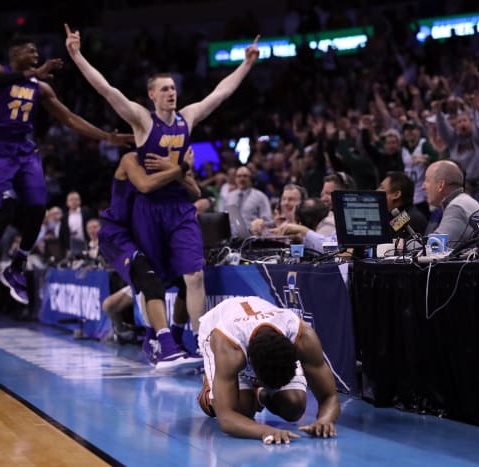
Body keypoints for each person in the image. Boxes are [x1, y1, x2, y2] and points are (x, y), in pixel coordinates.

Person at [65, 24, 260, 347]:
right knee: (149, 280)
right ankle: (158, 336)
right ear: (152, 95)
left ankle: (202, 343)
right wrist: (76, 54)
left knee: (195, 275)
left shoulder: (187, 117)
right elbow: (107, 89)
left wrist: (246, 64)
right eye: (164, 89)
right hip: (149, 209)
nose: (172, 92)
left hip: (180, 207)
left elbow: (220, 93)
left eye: (173, 88)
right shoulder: (142, 120)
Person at [0, 34, 131, 306]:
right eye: (29, 49)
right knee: (9, 206)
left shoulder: (40, 88)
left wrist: (106, 137)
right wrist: (32, 72)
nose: (35, 52)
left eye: (37, 49)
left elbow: (70, 118)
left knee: (38, 207)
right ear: (15, 53)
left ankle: (17, 266)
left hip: (24, 150)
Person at [99, 150, 202, 368]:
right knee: (148, 281)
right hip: (118, 234)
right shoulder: (131, 159)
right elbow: (145, 185)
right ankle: (158, 342)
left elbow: (195, 193)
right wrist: (180, 168)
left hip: (146, 230)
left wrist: (174, 168)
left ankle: (172, 339)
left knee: (185, 280)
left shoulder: (169, 162)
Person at [196, 296, 340, 442]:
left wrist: (325, 420)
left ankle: (260, 396)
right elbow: (226, 418)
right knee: (242, 412)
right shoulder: (229, 348)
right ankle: (210, 392)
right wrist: (266, 431)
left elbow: (330, 396)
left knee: (294, 406)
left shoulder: (302, 337)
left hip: (256, 327)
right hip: (216, 328)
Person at [423, 160, 479, 246]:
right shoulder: (462, 201)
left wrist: (402, 245)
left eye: (427, 180)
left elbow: (436, 247)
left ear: (440, 185)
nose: (423, 187)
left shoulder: (457, 207)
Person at [377, 171, 428, 236]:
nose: (377, 190)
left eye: (382, 188)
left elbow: (385, 237)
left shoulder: (407, 217)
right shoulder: (401, 214)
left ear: (396, 195)